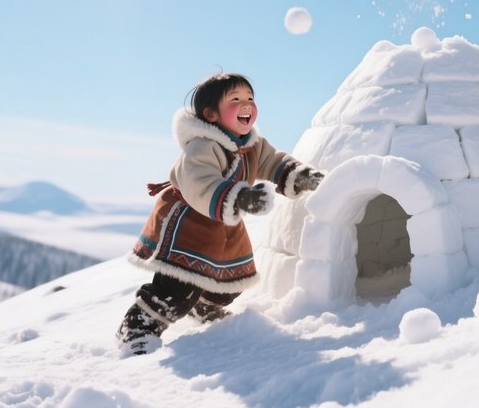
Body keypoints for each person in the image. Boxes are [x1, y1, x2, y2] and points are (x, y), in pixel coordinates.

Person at [117, 72, 324, 355]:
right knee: (178, 285)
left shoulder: (252, 145)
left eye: (250, 98)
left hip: (221, 222)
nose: (246, 104)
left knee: (226, 289)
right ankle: (138, 327)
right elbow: (199, 182)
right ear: (211, 114)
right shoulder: (201, 146)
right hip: (188, 223)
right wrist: (242, 197)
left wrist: (297, 174)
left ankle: (202, 306)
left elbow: (273, 161)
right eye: (235, 99)